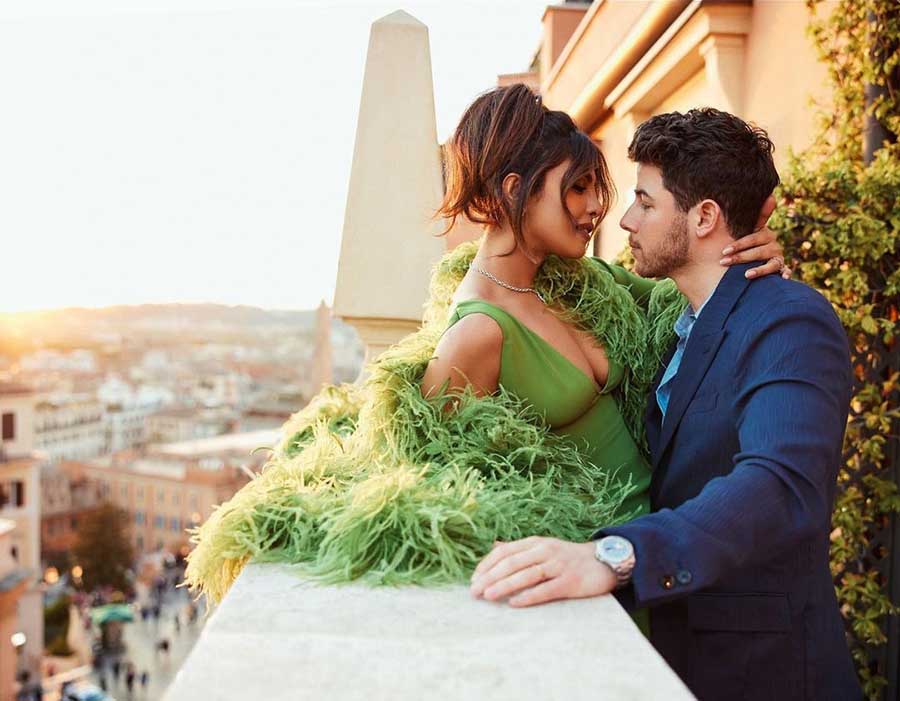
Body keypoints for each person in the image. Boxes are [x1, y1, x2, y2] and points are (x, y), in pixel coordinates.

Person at [183, 84, 784, 603]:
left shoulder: (580, 284)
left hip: (654, 554)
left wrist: (747, 253)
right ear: (513, 190)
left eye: (596, 188)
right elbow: (442, 486)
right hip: (594, 572)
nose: (598, 208)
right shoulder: (477, 331)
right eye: (576, 189)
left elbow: (686, 292)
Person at [469, 108, 860, 699]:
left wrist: (615, 555)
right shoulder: (672, 320)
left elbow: (782, 485)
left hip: (765, 672)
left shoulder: (790, 321)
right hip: (666, 656)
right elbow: (510, 279)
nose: (624, 219)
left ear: (704, 217)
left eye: (646, 203)